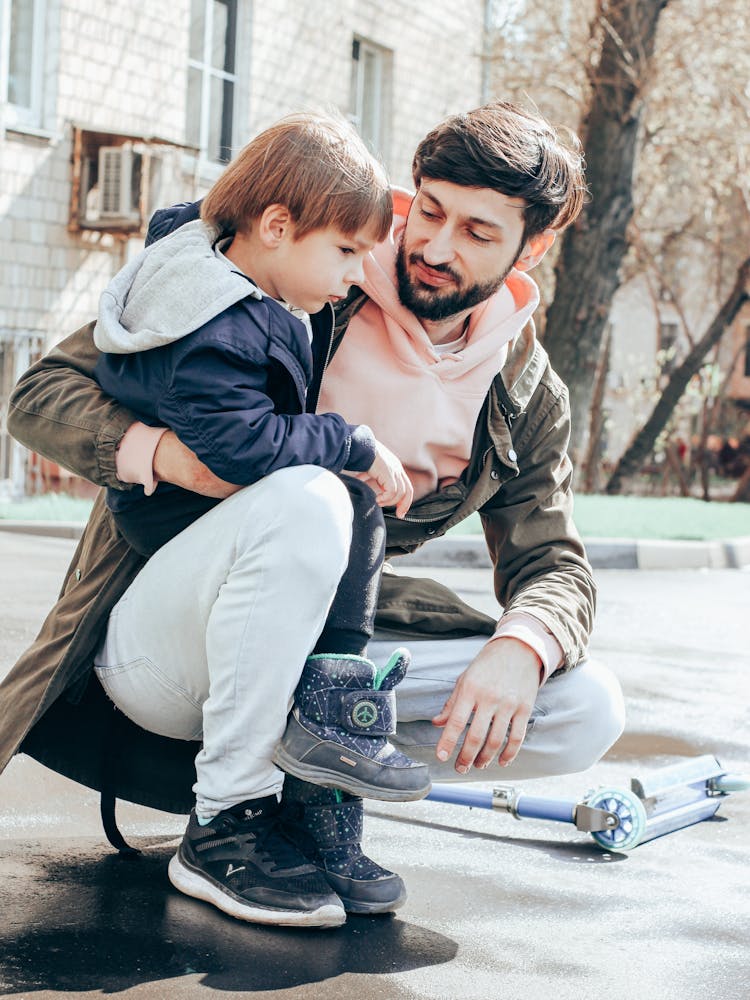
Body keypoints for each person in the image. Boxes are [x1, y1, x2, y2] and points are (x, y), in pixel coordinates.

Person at [3, 100, 625, 928]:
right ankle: (225, 821)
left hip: (321, 640)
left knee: (586, 705)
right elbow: (42, 392)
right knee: (310, 494)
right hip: (165, 631)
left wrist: (522, 644)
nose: (436, 247)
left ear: (533, 247)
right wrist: (171, 456)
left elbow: (553, 562)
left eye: (478, 232)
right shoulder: (295, 266)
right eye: (430, 211)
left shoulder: (523, 388)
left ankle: (316, 786)